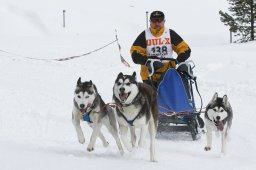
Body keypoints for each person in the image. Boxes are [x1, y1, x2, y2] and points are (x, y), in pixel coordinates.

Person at [130, 10, 191, 88]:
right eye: (154, 20)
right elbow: (134, 53)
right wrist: (147, 61)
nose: (157, 23)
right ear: (150, 21)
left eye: (159, 20)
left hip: (168, 74)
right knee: (152, 100)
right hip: (149, 75)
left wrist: (179, 59)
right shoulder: (144, 35)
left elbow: (185, 49)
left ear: (164, 21)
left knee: (168, 99)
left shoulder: (169, 34)